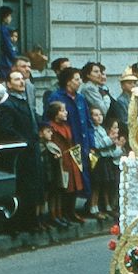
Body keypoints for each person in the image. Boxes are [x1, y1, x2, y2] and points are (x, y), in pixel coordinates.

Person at [0, 70, 41, 232]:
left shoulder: (23, 101)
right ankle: (16, 224)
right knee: (20, 189)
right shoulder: (7, 105)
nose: (21, 82)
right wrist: (24, 141)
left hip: (30, 152)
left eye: (22, 79)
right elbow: (7, 130)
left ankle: (30, 222)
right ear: (9, 84)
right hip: (18, 154)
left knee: (32, 187)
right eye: (16, 79)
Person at [47, 66, 94, 201]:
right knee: (67, 180)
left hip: (83, 144)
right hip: (67, 144)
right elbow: (50, 120)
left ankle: (80, 209)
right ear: (68, 82)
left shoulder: (81, 98)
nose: (80, 82)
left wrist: (91, 143)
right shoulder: (56, 97)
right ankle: (64, 213)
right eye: (77, 79)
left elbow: (88, 122)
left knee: (83, 177)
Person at [45, 101, 84, 225]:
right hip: (60, 160)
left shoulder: (66, 126)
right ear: (55, 113)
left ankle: (70, 212)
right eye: (62, 110)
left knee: (73, 186)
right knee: (61, 188)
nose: (65, 113)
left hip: (70, 158)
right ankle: (57, 214)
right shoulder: (52, 127)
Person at [0, 5, 18, 81]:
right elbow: (7, 46)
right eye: (9, 16)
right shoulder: (3, 30)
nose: (11, 18)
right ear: (5, 17)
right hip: (4, 62)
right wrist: (15, 59)